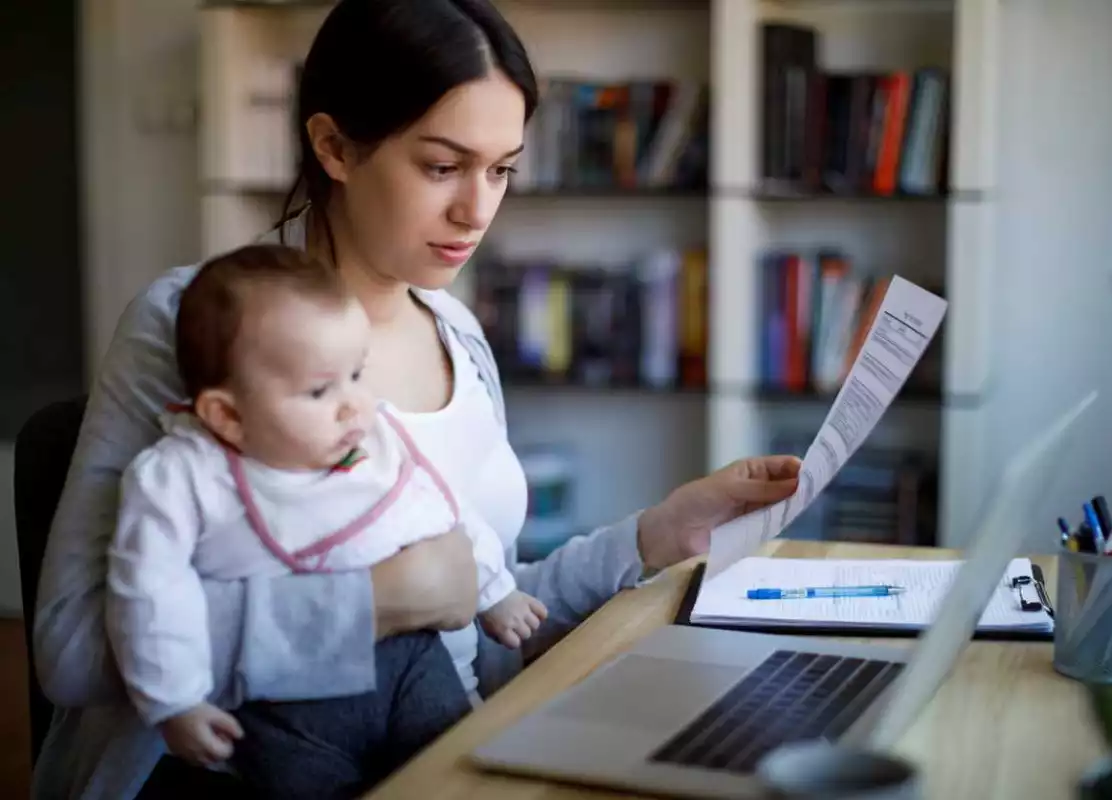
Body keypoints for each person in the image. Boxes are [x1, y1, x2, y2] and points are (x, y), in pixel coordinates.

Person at [30, 1, 802, 797]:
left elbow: (475, 610)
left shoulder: (459, 332)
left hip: (441, 742)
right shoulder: (196, 323)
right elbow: (75, 645)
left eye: (501, 168)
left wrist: (654, 536)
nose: (478, 210)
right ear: (333, 146)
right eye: (442, 167)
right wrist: (375, 603)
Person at [106, 243, 547, 798]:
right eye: (320, 390)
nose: (354, 405)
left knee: (451, 775)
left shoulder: (370, 439)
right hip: (281, 706)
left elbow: (442, 509)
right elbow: (148, 593)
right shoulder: (182, 478)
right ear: (228, 415)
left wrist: (494, 591)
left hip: (411, 662)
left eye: (358, 374)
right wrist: (174, 700)